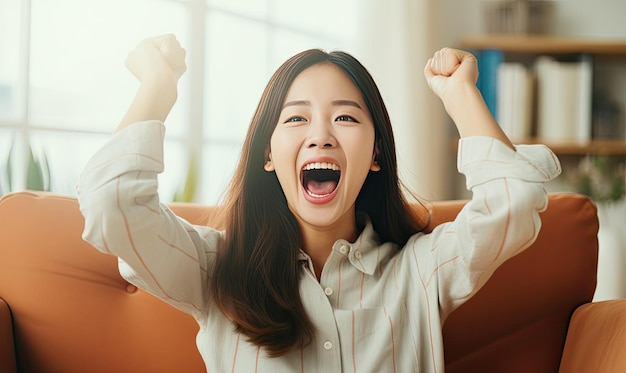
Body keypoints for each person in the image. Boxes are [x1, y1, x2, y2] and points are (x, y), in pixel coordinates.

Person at [77, 34, 561, 372]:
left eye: (346, 118)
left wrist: (459, 94)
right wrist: (158, 85)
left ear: (375, 154)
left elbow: (513, 203)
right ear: (268, 154)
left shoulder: (422, 270)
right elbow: (113, 204)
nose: (321, 137)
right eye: (295, 120)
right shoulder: (214, 269)